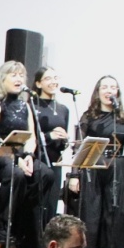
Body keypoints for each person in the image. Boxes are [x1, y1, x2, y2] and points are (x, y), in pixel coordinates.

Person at [67, 76, 124, 248]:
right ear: (97, 92)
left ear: (117, 92)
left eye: (113, 87)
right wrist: (74, 175)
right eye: (104, 87)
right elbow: (79, 146)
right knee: (91, 217)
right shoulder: (88, 116)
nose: (109, 91)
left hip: (118, 170)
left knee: (114, 218)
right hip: (94, 169)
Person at [0, 60, 41, 248]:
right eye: (14, 75)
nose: (19, 79)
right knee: (16, 173)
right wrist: (15, 158)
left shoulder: (25, 105)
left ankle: (23, 226)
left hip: (19, 155)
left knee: (44, 174)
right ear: (3, 79)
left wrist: (28, 156)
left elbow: (31, 136)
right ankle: (0, 222)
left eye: (21, 75)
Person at [31, 67, 70, 232]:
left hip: (55, 161)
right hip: (37, 160)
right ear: (38, 83)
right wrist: (49, 136)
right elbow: (30, 136)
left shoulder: (63, 109)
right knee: (38, 204)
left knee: (51, 204)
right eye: (48, 78)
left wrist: (65, 140)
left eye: (55, 78)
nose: (53, 82)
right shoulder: (32, 105)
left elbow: (62, 142)